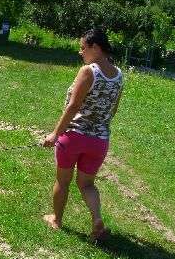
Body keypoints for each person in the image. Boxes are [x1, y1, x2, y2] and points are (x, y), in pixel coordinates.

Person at [42, 29, 123, 241]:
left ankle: (56, 219)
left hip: (74, 137)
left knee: (63, 181)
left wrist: (55, 134)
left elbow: (73, 106)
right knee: (87, 184)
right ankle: (97, 219)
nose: (81, 52)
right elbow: (113, 109)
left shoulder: (88, 71)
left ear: (95, 47)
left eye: (83, 48)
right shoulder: (118, 74)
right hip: (100, 140)